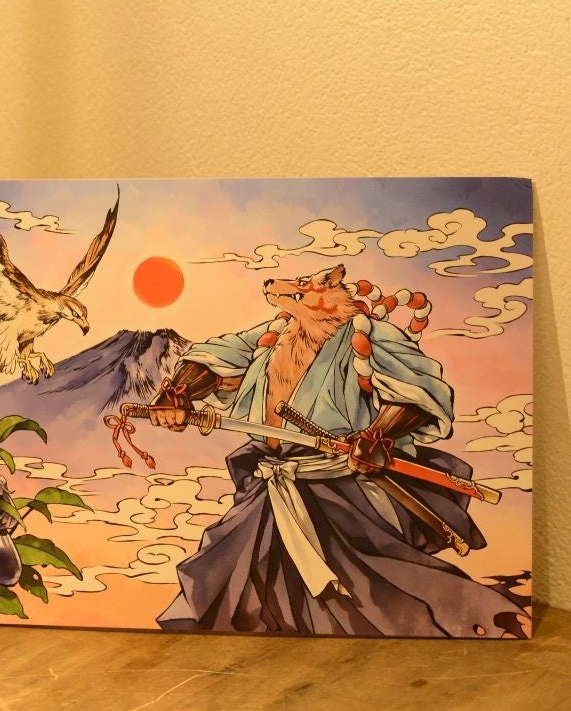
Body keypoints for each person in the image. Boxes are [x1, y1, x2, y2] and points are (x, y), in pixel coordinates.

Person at [149, 264, 527, 637]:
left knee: (362, 590)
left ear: (328, 291)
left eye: (303, 284)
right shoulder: (276, 334)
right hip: (271, 483)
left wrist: (377, 435)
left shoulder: (366, 335)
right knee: (230, 572)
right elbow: (216, 358)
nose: (281, 286)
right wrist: (179, 394)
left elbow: (417, 392)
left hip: (333, 488)